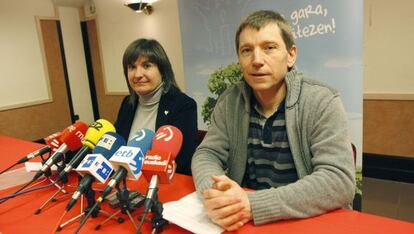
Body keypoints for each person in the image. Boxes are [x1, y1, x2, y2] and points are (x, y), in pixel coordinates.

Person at [191, 10, 355, 231]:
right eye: (247, 50)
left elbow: (338, 181)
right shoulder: (230, 101)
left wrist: (252, 204)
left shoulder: (322, 100)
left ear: (291, 55)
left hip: (306, 221)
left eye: (269, 47)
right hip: (247, 222)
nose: (257, 60)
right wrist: (215, 194)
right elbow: (206, 154)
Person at [115, 38, 198, 175]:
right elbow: (117, 148)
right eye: (132, 67)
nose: (138, 75)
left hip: (164, 186)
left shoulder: (183, 106)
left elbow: (183, 162)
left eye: (146, 66)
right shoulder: (127, 105)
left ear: (163, 70)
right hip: (126, 184)